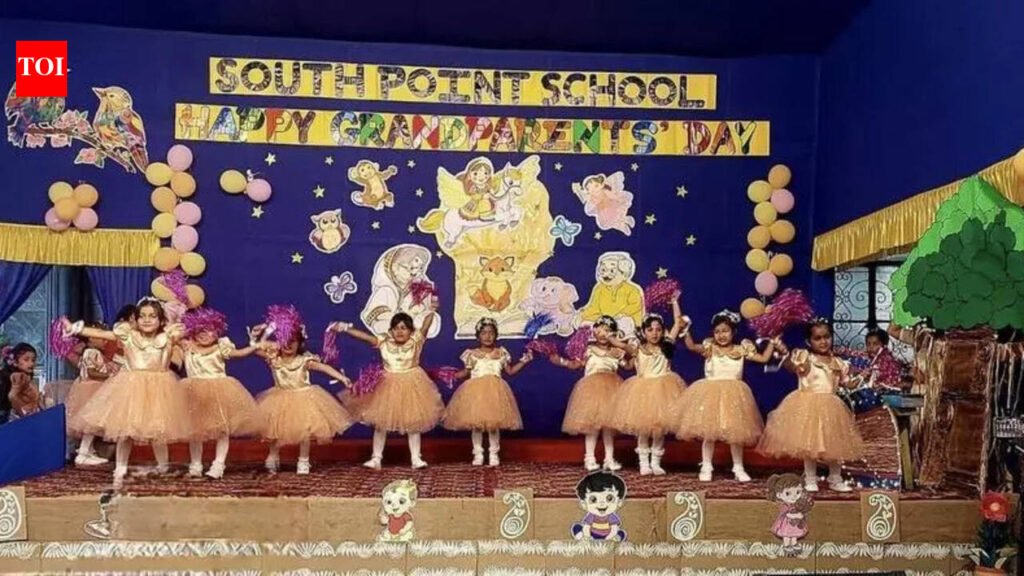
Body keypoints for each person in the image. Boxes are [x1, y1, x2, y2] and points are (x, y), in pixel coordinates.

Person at [66, 298, 192, 486]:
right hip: (131, 387)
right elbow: (103, 334)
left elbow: (189, 339)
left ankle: (163, 466)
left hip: (160, 387)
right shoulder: (129, 336)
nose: (147, 320)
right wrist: (77, 329)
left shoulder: (167, 337)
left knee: (158, 429)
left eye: (152, 316)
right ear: (136, 319)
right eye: (142, 316)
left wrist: (187, 342)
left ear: (161, 320)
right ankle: (121, 467)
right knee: (125, 430)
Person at [333, 297, 444, 469]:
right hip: (387, 385)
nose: (399, 331)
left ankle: (416, 458)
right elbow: (366, 337)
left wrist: (432, 310)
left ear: (411, 331)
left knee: (413, 422)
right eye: (396, 328)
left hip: (412, 383)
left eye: (404, 328)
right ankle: (376, 458)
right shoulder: (384, 343)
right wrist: (346, 328)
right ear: (391, 331)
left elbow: (426, 326)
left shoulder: (416, 341)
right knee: (381, 423)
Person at [757, 319, 864, 492]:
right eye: (817, 338)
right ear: (809, 341)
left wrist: (862, 377)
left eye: (826, 337)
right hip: (808, 405)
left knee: (835, 443)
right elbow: (793, 367)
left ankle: (835, 478)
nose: (823, 341)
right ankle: (810, 478)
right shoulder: (806, 357)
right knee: (809, 444)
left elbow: (847, 384)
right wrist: (783, 352)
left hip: (832, 407)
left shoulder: (838, 363)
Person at [674, 310, 775, 482]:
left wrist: (772, 340)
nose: (721, 335)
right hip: (711, 394)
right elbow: (691, 346)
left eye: (725, 331)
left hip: (734, 395)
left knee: (737, 434)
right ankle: (706, 466)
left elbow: (764, 359)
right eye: (717, 331)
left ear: (733, 332)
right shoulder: (710, 348)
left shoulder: (741, 349)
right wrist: (686, 330)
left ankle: (738, 467)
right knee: (709, 433)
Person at [252, 307, 353, 475]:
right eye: (285, 340)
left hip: (304, 398)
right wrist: (265, 330)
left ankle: (303, 460)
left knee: (305, 431)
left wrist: (342, 378)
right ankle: (273, 456)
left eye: (293, 341)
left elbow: (323, 367)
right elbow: (255, 348)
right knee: (275, 429)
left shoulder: (304, 360)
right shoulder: (274, 358)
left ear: (299, 343)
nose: (288, 345)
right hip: (280, 398)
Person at [179, 307, 264, 479]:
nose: (204, 334)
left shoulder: (221, 346)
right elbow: (170, 336)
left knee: (222, 429)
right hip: (194, 391)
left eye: (209, 330)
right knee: (195, 430)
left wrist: (255, 346)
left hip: (218, 390)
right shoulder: (187, 345)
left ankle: (218, 464)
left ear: (217, 331)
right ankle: (195, 464)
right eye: (199, 329)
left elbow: (239, 353)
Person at [609, 292, 687, 476]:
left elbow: (678, 323)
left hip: (664, 389)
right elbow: (620, 344)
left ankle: (656, 462)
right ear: (643, 332)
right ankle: (644, 462)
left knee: (659, 429)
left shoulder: (666, 346)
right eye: (650, 330)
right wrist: (610, 336)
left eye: (658, 329)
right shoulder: (637, 349)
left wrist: (674, 302)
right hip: (642, 391)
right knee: (643, 429)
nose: (655, 333)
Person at [443, 317, 531, 466]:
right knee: (476, 425)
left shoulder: (501, 353)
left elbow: (510, 371)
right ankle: (478, 453)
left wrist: (524, 361)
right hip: (475, 393)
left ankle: (493, 453)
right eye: (484, 333)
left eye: (491, 333)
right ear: (478, 336)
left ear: (496, 335)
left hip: (495, 392)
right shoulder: (471, 354)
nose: (488, 336)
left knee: (493, 425)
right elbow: (465, 372)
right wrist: (450, 375)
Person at [549, 315, 629, 471]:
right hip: (592, 389)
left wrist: (637, 352)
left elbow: (627, 366)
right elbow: (575, 364)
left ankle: (609, 459)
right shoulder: (588, 350)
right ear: (594, 332)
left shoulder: (617, 352)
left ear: (614, 333)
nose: (603, 334)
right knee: (592, 426)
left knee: (609, 427)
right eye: (600, 331)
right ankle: (590, 458)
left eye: (607, 331)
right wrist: (561, 361)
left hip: (613, 390)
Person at [1, 343, 39, 425]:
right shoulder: (18, 378)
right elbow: (13, 396)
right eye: (26, 360)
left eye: (33, 360)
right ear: (15, 362)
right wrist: (24, 415)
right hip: (15, 418)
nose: (31, 363)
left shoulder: (26, 378)